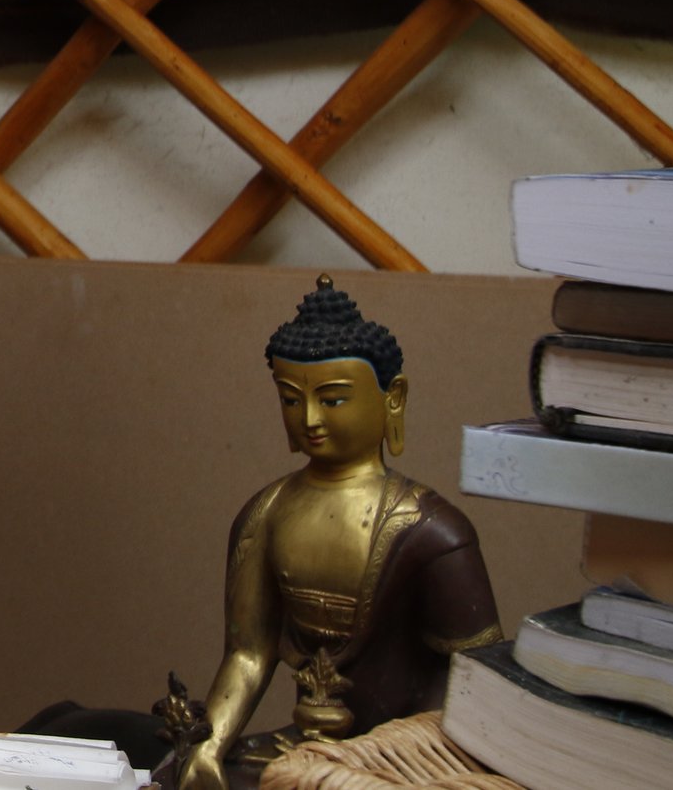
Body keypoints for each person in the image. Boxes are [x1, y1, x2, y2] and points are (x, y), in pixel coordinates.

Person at [173, 278, 499, 790]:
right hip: (302, 747)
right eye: (290, 399)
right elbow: (247, 653)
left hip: (408, 759)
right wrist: (208, 746)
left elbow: (477, 680)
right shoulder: (265, 514)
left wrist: (384, 760)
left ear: (393, 398)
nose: (310, 419)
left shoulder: (434, 532)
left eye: (334, 399)